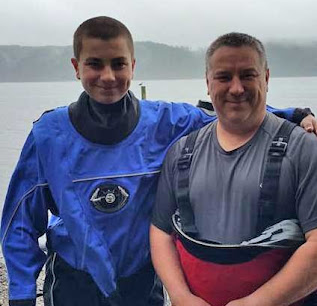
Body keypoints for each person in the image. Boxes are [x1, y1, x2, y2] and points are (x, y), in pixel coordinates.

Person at [0, 18, 315, 306]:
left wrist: (292, 115)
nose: (108, 76)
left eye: (118, 64)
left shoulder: (165, 123)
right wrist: (22, 294)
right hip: (74, 282)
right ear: (76, 66)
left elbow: (229, 110)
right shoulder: (49, 136)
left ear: (133, 66)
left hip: (142, 282)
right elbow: (20, 222)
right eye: (95, 64)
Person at [150, 32, 317, 306]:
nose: (236, 88)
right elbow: (161, 233)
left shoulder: (304, 150)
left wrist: (258, 302)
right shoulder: (182, 153)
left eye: (248, 75)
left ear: (266, 78)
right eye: (224, 77)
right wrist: (180, 296)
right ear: (207, 83)